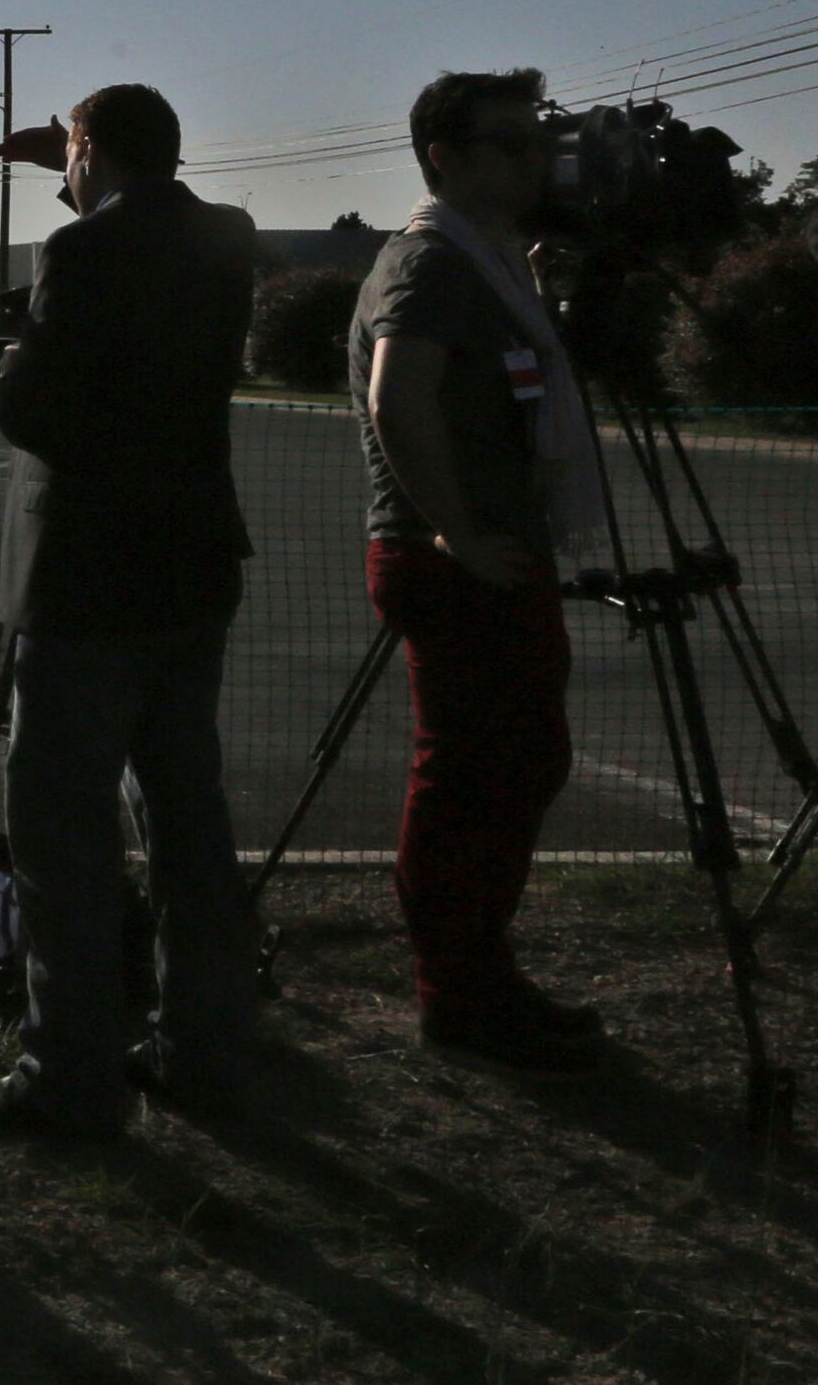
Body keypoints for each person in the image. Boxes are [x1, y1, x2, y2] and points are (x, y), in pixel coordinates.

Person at [0, 85, 260, 1138]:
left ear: (88, 148)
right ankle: (200, 1048)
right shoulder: (221, 241)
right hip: (191, 563)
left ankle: (67, 1070)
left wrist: (13, 348)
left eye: (72, 151)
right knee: (186, 823)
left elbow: (39, 409)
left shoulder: (80, 257)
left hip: (86, 581)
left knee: (64, 839)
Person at [349, 67, 611, 1077]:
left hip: (491, 550)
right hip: (456, 557)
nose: (535, 158)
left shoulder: (489, 262)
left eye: (536, 140)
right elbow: (395, 396)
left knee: (516, 764)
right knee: (477, 776)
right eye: (510, 142)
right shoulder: (430, 264)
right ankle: (458, 992)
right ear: (444, 157)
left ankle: (477, 976)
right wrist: (451, 527)